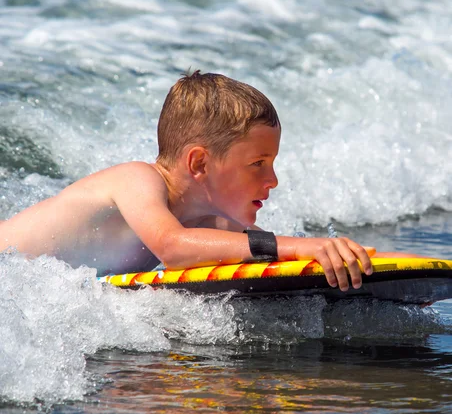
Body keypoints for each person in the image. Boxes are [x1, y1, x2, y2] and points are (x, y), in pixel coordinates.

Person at [0, 71, 389, 292]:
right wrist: (305, 245)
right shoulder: (137, 180)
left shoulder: (202, 223)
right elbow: (173, 248)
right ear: (199, 163)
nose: (272, 180)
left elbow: (263, 257)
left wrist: (359, 271)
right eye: (257, 163)